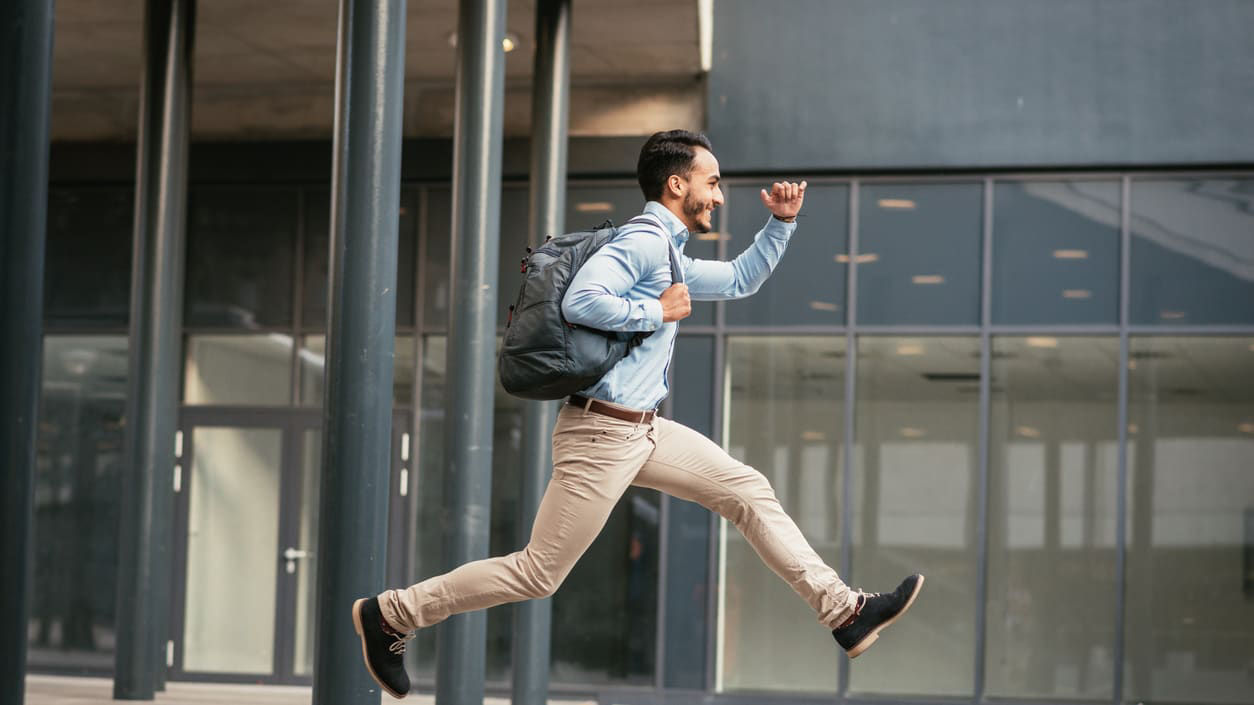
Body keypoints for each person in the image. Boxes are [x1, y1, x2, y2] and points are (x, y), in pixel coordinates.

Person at [352, 130, 924, 699]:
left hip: (643, 429)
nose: (720, 196)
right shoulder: (645, 243)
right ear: (678, 184)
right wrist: (655, 309)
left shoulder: (668, 251)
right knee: (537, 573)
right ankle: (392, 615)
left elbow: (741, 279)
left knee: (747, 491)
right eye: (713, 182)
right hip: (601, 433)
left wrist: (781, 223)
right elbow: (582, 299)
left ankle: (844, 611)